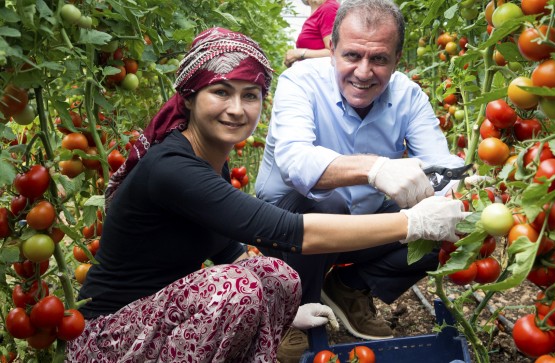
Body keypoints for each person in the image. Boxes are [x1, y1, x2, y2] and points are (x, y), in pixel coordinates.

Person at [66, 27, 468, 362]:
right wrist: (411, 223)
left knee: (274, 275)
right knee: (234, 290)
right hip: (111, 338)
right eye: (221, 92)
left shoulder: (209, 161)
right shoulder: (171, 167)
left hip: (160, 323)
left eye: (250, 95)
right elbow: (286, 230)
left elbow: (229, 251)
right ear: (188, 98)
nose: (237, 109)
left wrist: (285, 309)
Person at [255, 0, 468, 360]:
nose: (364, 72)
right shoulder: (300, 82)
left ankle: (350, 288)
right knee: (328, 201)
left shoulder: (408, 95)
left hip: (361, 224)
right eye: (352, 55)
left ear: (397, 60)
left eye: (380, 59)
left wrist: (455, 197)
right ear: (331, 49)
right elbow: (295, 161)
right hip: (288, 231)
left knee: (441, 225)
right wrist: (375, 168)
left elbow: (440, 163)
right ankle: (293, 313)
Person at [284, 0, 339, 67]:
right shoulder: (320, 11)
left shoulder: (329, 8)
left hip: (320, 73)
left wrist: (300, 53)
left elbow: (334, 50)